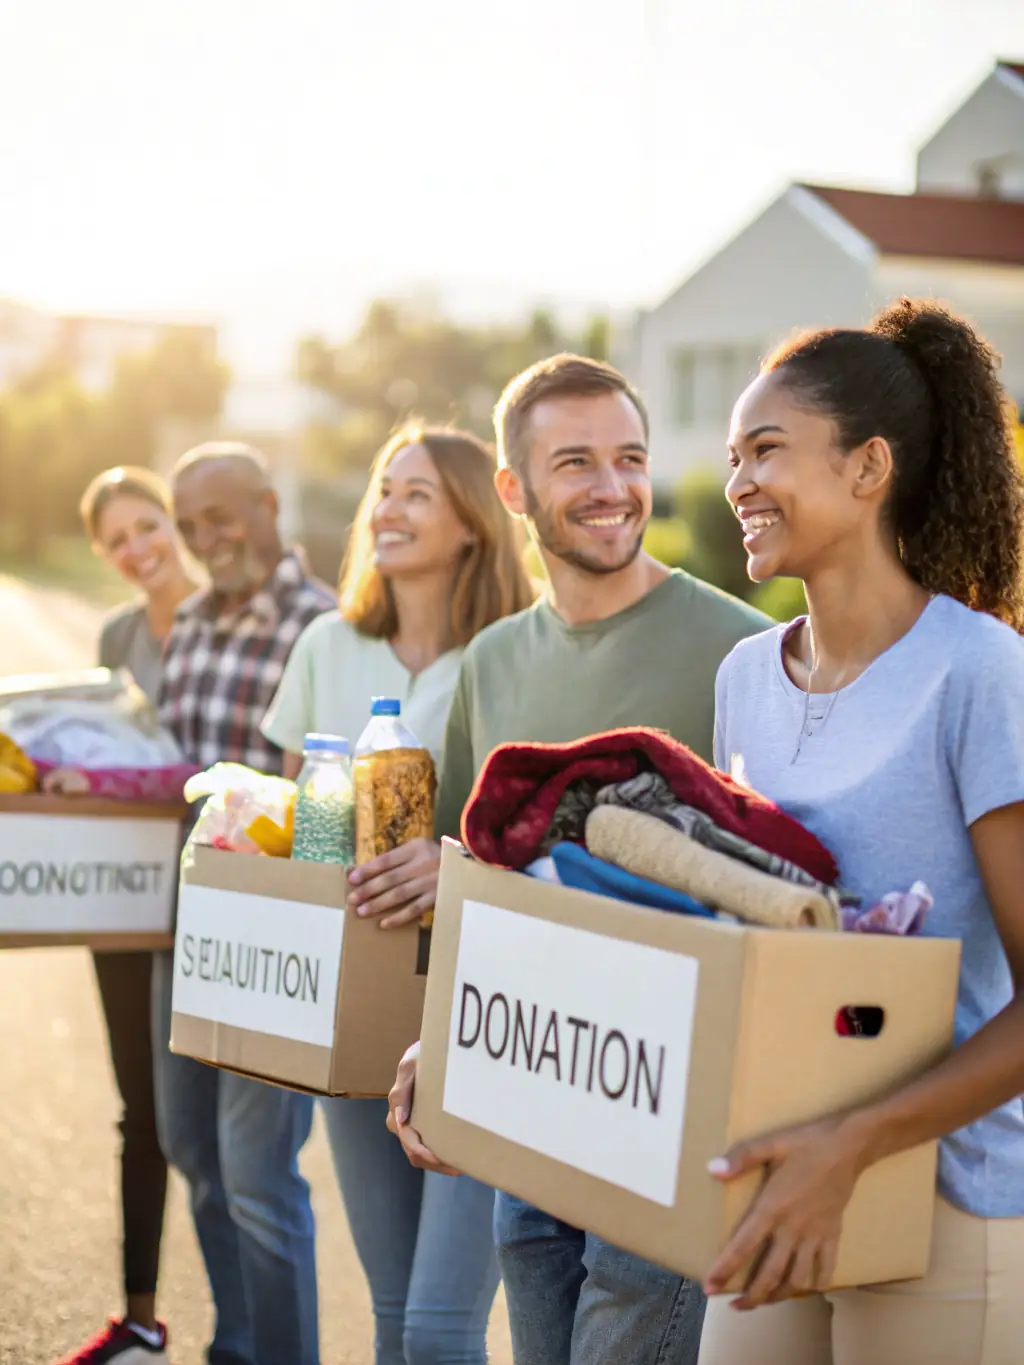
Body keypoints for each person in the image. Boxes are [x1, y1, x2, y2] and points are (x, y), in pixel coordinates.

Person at [358, 355, 769, 1365]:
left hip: (667, 1115)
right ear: (514, 490)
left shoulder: (739, 653)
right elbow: (479, 880)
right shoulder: (494, 660)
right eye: (574, 462)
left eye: (629, 458)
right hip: (531, 1104)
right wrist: (440, 1046)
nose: (612, 488)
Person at [696, 299, 1024, 1365]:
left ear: (868, 466)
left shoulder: (978, 672)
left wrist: (854, 1147)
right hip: (773, 1170)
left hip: (951, 1194)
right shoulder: (743, 677)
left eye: (766, 450)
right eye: (733, 455)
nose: (737, 480)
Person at [261, 423, 535, 1364]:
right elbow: (297, 819)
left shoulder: (513, 651)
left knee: (439, 1325)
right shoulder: (327, 645)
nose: (388, 508)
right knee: (389, 1313)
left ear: (473, 522)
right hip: (361, 997)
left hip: (474, 1004)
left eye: (417, 492)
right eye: (385, 488)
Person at [152, 442, 334, 1365]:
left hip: (270, 937)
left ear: (269, 504)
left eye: (219, 517)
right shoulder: (188, 620)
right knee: (190, 1146)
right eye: (190, 526)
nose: (205, 540)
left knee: (257, 1172)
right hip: (180, 928)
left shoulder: (324, 624)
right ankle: (240, 1342)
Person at [56, 468, 199, 1365]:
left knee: (218, 1143)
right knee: (137, 1113)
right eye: (119, 541)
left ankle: (252, 1333)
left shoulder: (227, 617)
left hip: (212, 896)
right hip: (124, 893)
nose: (138, 548)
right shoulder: (115, 632)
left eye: (148, 526)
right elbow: (103, 743)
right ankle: (140, 1319)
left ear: (173, 522)